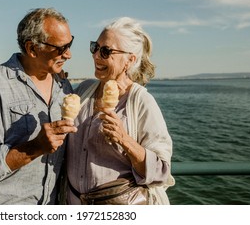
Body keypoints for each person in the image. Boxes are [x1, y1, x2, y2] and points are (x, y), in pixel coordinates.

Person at [0, 7, 77, 205]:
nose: (68, 55)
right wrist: (35, 147)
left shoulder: (64, 85)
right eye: (60, 48)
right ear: (32, 49)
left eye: (70, 44)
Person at [66, 17, 174, 205]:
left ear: (129, 60)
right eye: (95, 47)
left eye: (106, 51)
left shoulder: (141, 102)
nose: (96, 56)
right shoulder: (84, 90)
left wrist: (124, 140)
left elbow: (161, 171)